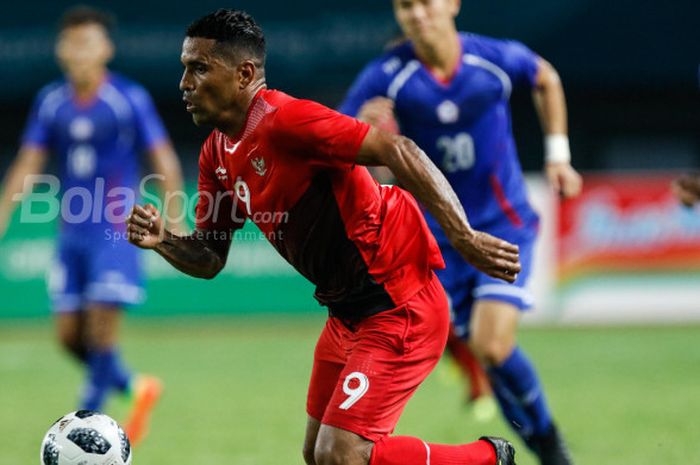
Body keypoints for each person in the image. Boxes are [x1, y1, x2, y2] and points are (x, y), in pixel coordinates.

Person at [127, 8, 523, 465]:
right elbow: (210, 257)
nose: (184, 83)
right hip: (346, 314)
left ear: (244, 74)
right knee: (318, 456)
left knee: (342, 453)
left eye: (198, 68)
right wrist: (164, 241)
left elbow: (398, 148)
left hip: (397, 304)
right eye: (184, 68)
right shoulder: (217, 151)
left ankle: (486, 459)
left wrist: (465, 236)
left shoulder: (286, 120)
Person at [338, 1, 582, 464]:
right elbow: (332, 138)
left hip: (501, 223)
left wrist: (557, 154)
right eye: (405, 5)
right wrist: (361, 132)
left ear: (452, 4)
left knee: (492, 345)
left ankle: (549, 443)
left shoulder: (491, 59)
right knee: (473, 350)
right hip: (436, 238)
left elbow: (545, 78)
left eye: (426, 2)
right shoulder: (387, 74)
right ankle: (528, 447)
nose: (417, 13)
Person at [0, 6, 184, 445]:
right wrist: (4, 211)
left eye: (88, 42)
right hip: (72, 233)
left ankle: (86, 429)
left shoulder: (127, 99)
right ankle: (134, 387)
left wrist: (173, 216)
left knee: (101, 327)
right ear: (60, 49)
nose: (79, 51)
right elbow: (29, 160)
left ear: (106, 49)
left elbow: (160, 157)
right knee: (69, 337)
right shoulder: (51, 101)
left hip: (118, 231)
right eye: (72, 42)